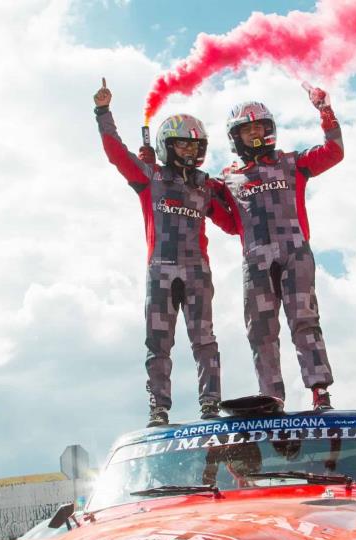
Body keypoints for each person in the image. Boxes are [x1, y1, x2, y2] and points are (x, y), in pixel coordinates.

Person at [94, 78, 234, 427]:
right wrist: (103, 112)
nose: (189, 152)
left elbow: (231, 224)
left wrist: (241, 186)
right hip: (161, 270)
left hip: (197, 272)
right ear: (166, 146)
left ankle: (211, 404)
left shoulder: (207, 185)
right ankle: (159, 408)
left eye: (195, 146)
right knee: (158, 345)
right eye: (182, 146)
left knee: (205, 340)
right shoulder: (150, 177)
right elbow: (115, 152)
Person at [216, 86, 344, 410]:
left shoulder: (293, 162)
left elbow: (333, 151)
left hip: (295, 252)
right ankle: (271, 397)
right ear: (236, 137)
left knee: (304, 319)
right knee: (260, 331)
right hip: (255, 260)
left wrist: (324, 111)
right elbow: (231, 223)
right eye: (247, 129)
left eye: (259, 126)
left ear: (270, 129)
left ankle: (319, 392)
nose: (254, 132)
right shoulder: (228, 178)